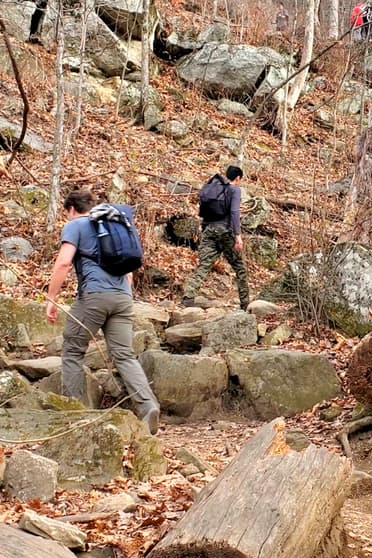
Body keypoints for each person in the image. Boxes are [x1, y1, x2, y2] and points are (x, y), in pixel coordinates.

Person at [45, 189, 160, 434]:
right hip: (123, 298)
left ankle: (76, 415)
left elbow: (64, 262)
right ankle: (149, 406)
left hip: (94, 296)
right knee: (124, 355)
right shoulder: (112, 224)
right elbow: (129, 270)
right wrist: (122, 296)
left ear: (72, 210)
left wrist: (51, 297)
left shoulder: (76, 226)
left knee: (73, 352)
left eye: (67, 214)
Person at [182, 165, 250, 310]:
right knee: (239, 267)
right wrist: (238, 236)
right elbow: (234, 213)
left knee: (204, 265)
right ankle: (245, 303)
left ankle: (188, 296)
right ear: (238, 178)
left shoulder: (216, 189)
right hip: (225, 231)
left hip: (209, 230)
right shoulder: (234, 190)